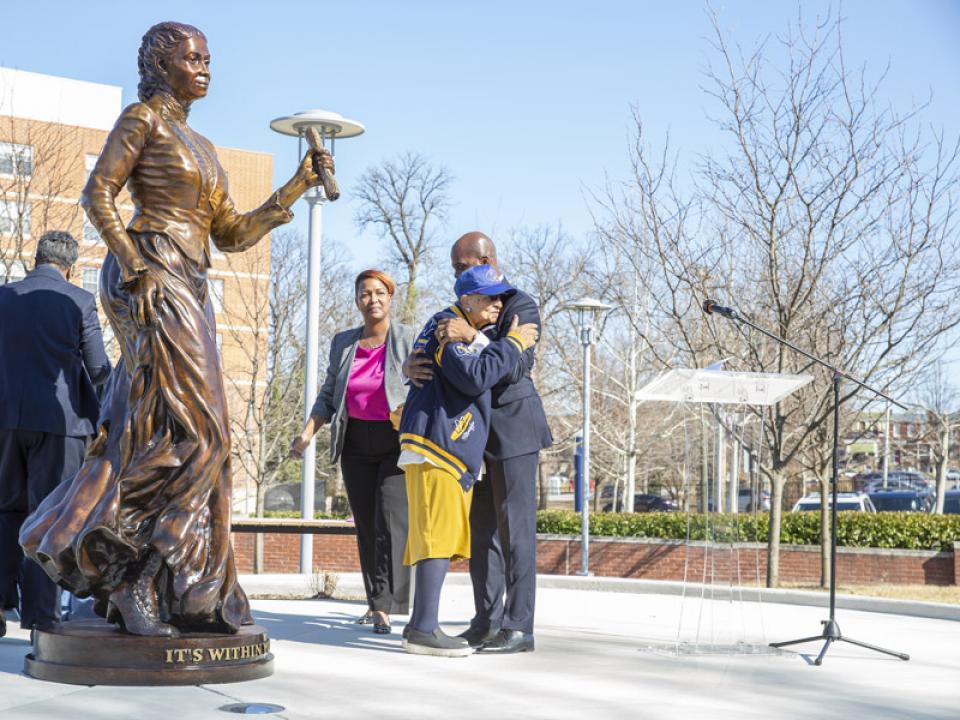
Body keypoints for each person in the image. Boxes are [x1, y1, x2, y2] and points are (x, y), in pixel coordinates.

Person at [19, 21, 332, 637]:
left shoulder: (204, 146)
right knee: (200, 430)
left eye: (208, 58)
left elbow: (232, 234)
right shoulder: (142, 120)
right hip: (150, 271)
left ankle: (146, 575)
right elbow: (98, 195)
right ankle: (136, 572)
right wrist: (134, 266)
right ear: (161, 66)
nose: (205, 68)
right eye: (193, 58)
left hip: (189, 278)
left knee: (171, 431)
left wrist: (298, 183)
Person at [405, 231, 552, 654]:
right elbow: (439, 360)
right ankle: (486, 621)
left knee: (515, 531)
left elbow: (517, 368)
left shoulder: (518, 304)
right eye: (454, 268)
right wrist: (409, 366)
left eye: (462, 266)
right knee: (482, 533)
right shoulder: (461, 309)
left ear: (486, 261)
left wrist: (473, 338)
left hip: (514, 430)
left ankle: (518, 626)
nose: (456, 274)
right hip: (470, 437)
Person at [290, 269, 414, 634]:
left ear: (390, 297)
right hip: (355, 442)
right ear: (357, 300)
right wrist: (307, 434)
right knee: (366, 525)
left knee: (389, 521)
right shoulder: (344, 343)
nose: (372, 299)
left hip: (395, 441)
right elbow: (330, 394)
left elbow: (424, 383)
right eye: (364, 293)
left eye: (379, 292)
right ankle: (377, 604)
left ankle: (390, 602)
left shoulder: (407, 338)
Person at [0, 231, 111, 637]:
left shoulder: (3, 296)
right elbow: (98, 369)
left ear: (36, 259)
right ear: (70, 268)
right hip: (60, 425)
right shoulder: (78, 300)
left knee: (5, 512)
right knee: (49, 518)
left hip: (4, 421)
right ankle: (41, 619)